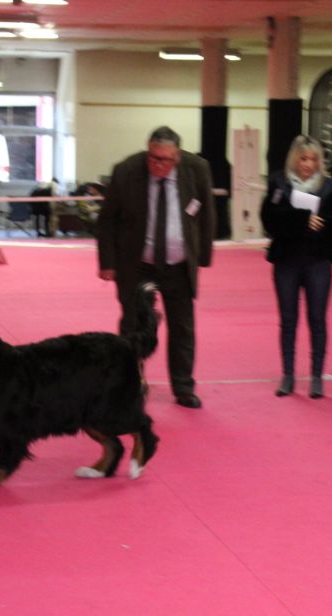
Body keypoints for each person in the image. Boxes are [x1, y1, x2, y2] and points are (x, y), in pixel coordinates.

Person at [96, 126, 216, 408]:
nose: (157, 164)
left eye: (165, 159)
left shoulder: (197, 169)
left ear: (177, 157)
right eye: (153, 157)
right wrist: (108, 263)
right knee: (133, 325)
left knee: (182, 326)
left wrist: (204, 257)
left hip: (179, 262)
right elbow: (107, 219)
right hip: (137, 263)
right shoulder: (126, 170)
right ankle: (131, 384)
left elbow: (207, 213)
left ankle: (184, 386)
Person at [260, 135, 332, 398]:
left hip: (318, 261)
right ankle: (287, 375)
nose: (308, 164)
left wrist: (326, 225)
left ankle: (317, 377)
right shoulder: (278, 183)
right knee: (288, 321)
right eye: (303, 158)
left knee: (317, 320)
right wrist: (301, 221)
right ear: (294, 159)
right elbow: (268, 220)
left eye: (313, 159)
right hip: (286, 261)